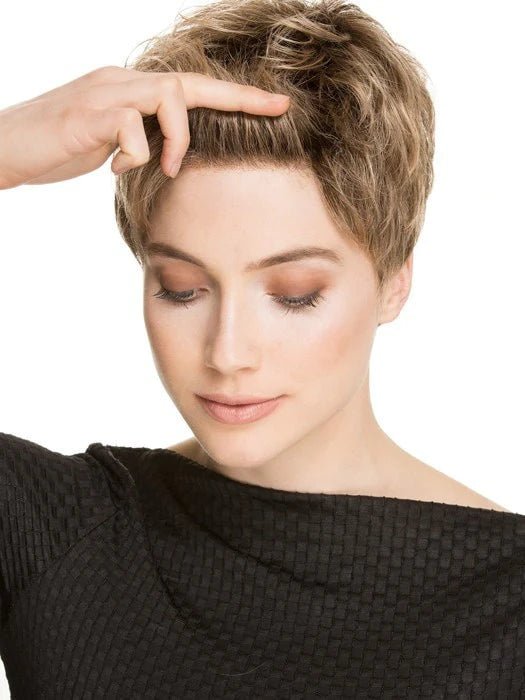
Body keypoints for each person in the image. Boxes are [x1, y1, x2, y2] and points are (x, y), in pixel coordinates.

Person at [1, 0, 523, 697]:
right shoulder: (55, 530)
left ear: (394, 282)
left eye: (294, 294)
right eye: (182, 288)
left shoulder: (507, 605)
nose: (227, 353)